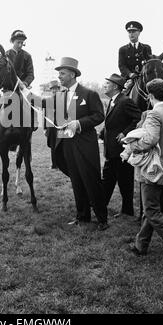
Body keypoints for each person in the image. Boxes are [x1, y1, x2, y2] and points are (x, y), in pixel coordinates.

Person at [21, 57, 108, 230]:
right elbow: (41, 103)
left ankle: (102, 219)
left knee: (91, 181)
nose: (59, 76)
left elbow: (99, 116)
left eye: (62, 73)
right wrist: (24, 91)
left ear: (72, 74)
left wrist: (79, 123)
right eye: (59, 73)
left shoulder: (89, 94)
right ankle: (82, 216)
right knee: (76, 180)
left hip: (85, 145)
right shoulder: (59, 95)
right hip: (67, 145)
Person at [127, 79, 163, 255]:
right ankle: (141, 245)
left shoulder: (154, 114)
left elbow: (150, 140)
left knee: (152, 211)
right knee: (151, 208)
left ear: (150, 96)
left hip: (152, 169)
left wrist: (131, 146)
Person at [100, 74, 141, 217]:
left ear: (115, 86)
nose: (104, 85)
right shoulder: (112, 101)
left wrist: (125, 133)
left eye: (107, 83)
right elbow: (111, 123)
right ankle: (100, 207)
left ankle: (127, 211)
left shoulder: (125, 101)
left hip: (122, 150)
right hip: (111, 150)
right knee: (107, 180)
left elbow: (138, 117)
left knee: (125, 182)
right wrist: (100, 134)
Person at [118, 21, 152, 93]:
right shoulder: (123, 49)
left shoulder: (146, 48)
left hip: (143, 78)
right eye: (129, 32)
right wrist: (130, 74)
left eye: (133, 31)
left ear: (139, 33)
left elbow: (149, 64)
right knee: (120, 96)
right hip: (128, 79)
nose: (131, 34)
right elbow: (121, 66)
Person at [45, 80, 60, 169]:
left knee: (61, 146)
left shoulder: (63, 99)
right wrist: (44, 128)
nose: (54, 91)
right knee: (53, 146)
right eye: (52, 89)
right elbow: (45, 115)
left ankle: (62, 163)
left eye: (56, 89)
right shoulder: (48, 100)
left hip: (61, 127)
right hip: (51, 127)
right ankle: (54, 164)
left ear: (59, 89)